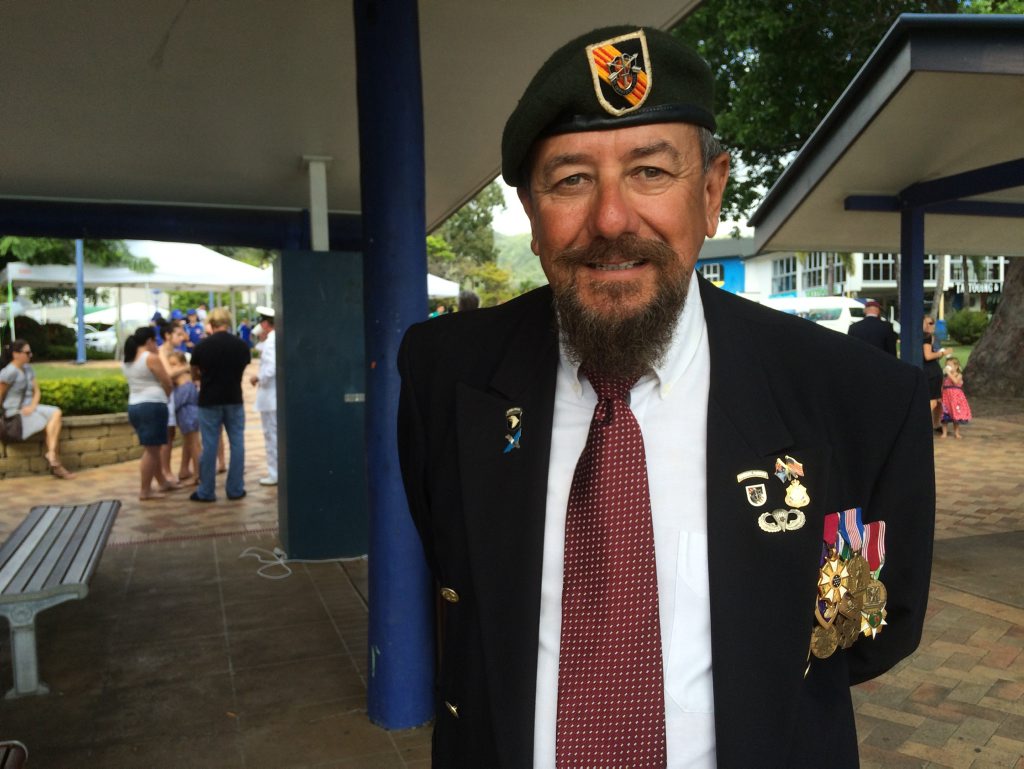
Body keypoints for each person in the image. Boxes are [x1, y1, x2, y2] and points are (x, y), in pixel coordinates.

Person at [397, 26, 935, 769]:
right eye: (571, 179)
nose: (612, 220)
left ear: (711, 192)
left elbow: (875, 627)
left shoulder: (857, 397)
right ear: (530, 211)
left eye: (650, 172)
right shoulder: (446, 374)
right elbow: (457, 579)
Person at [189, 307, 251, 502]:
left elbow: (194, 373)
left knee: (210, 445)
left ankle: (206, 491)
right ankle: (235, 489)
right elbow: (242, 368)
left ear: (211, 324)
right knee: (238, 444)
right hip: (234, 398)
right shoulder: (241, 346)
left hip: (209, 399)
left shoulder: (202, 346)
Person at [0, 338, 74, 478]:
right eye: (27, 353)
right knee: (51, 421)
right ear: (16, 354)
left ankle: (51, 454)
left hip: (31, 408)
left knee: (56, 413)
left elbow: (37, 391)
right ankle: (56, 465)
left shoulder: (28, 369)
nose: (30, 355)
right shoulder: (8, 372)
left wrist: (32, 406)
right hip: (15, 412)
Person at [123, 326, 178, 499]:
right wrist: (166, 397)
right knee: (152, 451)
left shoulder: (127, 360)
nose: (156, 344)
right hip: (153, 405)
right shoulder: (150, 358)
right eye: (155, 341)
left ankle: (162, 482)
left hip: (135, 405)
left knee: (150, 447)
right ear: (148, 341)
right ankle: (145, 490)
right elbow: (167, 381)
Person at [157, 319, 192, 483]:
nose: (182, 337)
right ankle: (166, 470)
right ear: (167, 335)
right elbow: (168, 374)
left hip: (179, 395)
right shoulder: (161, 352)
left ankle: (184, 468)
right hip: (167, 397)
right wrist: (186, 368)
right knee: (168, 435)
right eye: (178, 334)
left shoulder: (177, 351)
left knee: (188, 431)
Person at [249, 306, 277, 486]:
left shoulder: (271, 342)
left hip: (270, 396)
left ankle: (275, 473)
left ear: (266, 324)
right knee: (273, 434)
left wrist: (259, 378)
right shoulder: (271, 340)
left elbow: (270, 367)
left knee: (271, 435)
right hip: (272, 396)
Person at [167, 350, 201, 480]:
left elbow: (178, 402)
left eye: (174, 364)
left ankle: (198, 473)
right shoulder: (185, 381)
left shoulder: (184, 382)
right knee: (189, 443)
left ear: (183, 364)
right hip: (187, 415)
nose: (171, 368)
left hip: (188, 415)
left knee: (194, 444)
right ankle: (185, 470)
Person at [923, 315, 953, 431]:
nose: (932, 325)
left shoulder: (932, 337)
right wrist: (944, 353)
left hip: (934, 371)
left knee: (939, 400)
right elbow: (928, 356)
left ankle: (936, 424)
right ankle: (921, 425)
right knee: (933, 401)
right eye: (929, 323)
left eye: (933, 323)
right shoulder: (926, 338)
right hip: (930, 373)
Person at [940, 356, 972, 439]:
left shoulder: (959, 375)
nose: (948, 367)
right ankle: (944, 433)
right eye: (947, 365)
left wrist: (949, 373)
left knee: (955, 416)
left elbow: (955, 381)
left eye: (950, 365)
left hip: (955, 399)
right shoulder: (945, 377)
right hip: (946, 398)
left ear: (956, 366)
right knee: (945, 416)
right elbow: (942, 386)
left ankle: (956, 433)